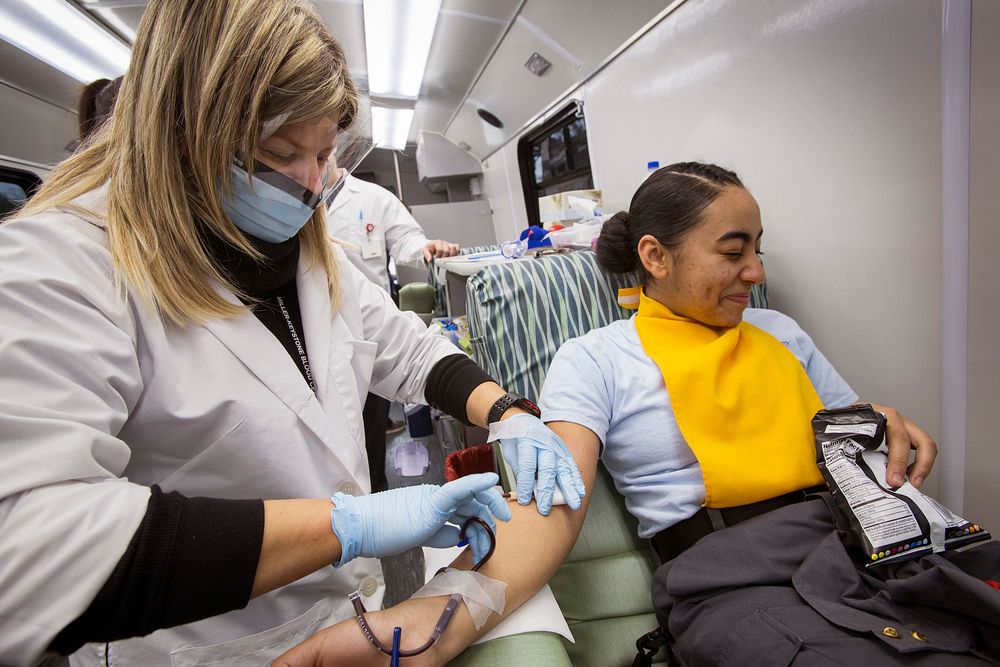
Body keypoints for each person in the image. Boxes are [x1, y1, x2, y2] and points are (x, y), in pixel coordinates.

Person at [0, 1, 584, 665]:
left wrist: (507, 413)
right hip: (201, 645)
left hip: (338, 617)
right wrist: (346, 525)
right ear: (182, 135)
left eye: (326, 154)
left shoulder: (308, 257)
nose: (311, 186)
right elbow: (27, 553)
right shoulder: (57, 266)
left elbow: (411, 351)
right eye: (280, 154)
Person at [529, 162, 996, 664]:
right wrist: (467, 601)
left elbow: (846, 431)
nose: (756, 272)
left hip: (863, 546)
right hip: (732, 579)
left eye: (757, 250)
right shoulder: (596, 358)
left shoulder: (778, 331)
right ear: (655, 256)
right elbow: (560, 495)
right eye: (733, 252)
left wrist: (880, 424)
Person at [327, 172, 460, 491]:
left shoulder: (374, 197)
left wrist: (427, 247)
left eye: (322, 153)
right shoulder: (296, 199)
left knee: (370, 437)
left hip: (369, 334)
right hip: (319, 335)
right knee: (331, 444)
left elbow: (406, 241)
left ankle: (376, 506)